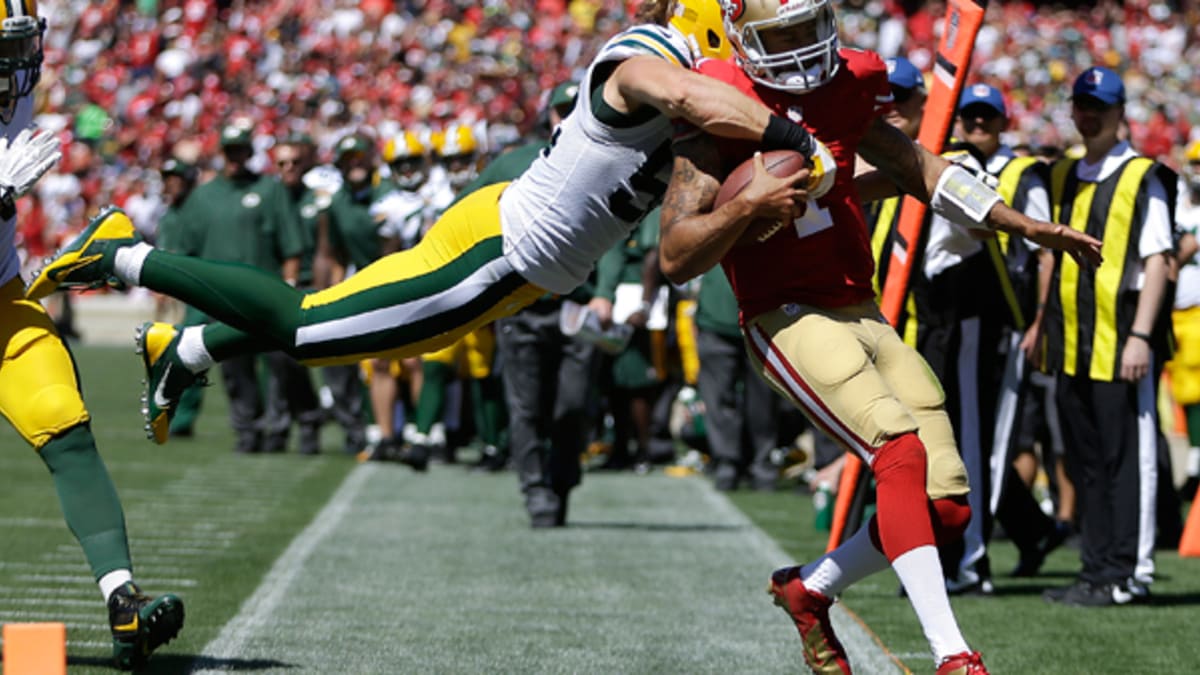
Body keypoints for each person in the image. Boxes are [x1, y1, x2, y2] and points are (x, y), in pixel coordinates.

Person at [25, 0, 830, 443]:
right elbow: (690, 97)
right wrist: (789, 134)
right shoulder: (649, 54)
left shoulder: (685, 83)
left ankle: (191, 346)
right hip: (502, 251)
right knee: (313, 331)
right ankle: (127, 255)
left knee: (362, 326)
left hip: (508, 246)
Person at [656, 1, 1100, 673]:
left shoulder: (846, 83)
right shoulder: (716, 100)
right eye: (785, 35)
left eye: (811, 26)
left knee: (947, 508)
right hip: (786, 312)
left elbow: (917, 166)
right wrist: (746, 205)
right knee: (896, 452)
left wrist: (1024, 225)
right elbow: (675, 254)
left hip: (861, 306)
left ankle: (808, 589)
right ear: (744, 35)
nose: (805, 46)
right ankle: (953, 654)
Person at [0, 2, 183, 669]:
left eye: (21, 44)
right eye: (6, 46)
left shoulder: (12, 98)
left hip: (1, 302)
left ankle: (122, 602)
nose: (18, 62)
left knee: (63, 419)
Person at [1038, 67, 1175, 607]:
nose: (1088, 114)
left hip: (1121, 344)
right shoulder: (1065, 174)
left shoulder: (1146, 176)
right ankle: (1095, 569)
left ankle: (1127, 572)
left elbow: (1159, 259)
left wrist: (1141, 334)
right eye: (1081, 104)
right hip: (1074, 342)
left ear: (1121, 114)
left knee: (1127, 461)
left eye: (1100, 105)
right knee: (1085, 462)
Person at [261, 135, 326, 455]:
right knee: (278, 362)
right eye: (282, 163)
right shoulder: (268, 199)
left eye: (294, 163)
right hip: (278, 287)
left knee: (310, 361)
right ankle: (286, 423)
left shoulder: (318, 200)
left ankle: (329, 421)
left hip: (312, 286)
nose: (288, 169)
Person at [1168, 140, 1200, 500]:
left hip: (1197, 312)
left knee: (1195, 393)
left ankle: (1194, 465)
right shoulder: (1176, 201)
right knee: (1179, 394)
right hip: (1172, 312)